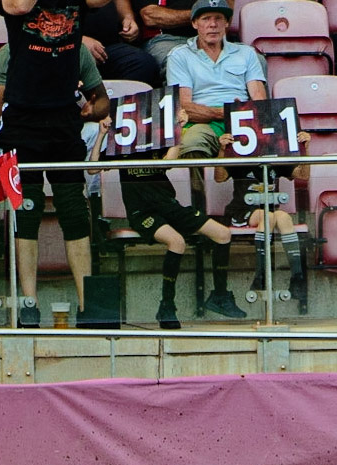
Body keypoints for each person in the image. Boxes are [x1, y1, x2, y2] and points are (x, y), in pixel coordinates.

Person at [0, 0, 111, 328]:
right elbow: (18, 6)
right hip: (22, 113)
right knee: (25, 210)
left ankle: (88, 304)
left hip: (63, 115)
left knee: (74, 209)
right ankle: (28, 303)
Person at [164, 0, 264, 319]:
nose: (213, 25)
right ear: (194, 24)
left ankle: (245, 209)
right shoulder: (179, 55)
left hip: (242, 122)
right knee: (191, 142)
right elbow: (185, 107)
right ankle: (198, 211)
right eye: (206, 19)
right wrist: (226, 112)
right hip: (204, 122)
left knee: (263, 141)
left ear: (226, 24)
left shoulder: (246, 54)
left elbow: (260, 101)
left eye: (218, 19)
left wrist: (241, 117)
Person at [105, 122, 233, 329]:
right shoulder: (121, 147)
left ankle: (219, 295)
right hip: (142, 212)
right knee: (177, 241)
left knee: (222, 233)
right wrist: (103, 133)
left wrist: (176, 129)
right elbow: (93, 168)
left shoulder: (157, 144)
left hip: (169, 205)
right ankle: (167, 305)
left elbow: (168, 163)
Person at [216, 129, 310, 306]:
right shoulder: (240, 154)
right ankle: (261, 275)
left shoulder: (275, 156)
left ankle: (297, 277)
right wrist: (222, 150)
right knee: (267, 216)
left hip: (269, 211)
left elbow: (303, 175)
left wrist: (305, 148)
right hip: (241, 210)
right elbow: (219, 177)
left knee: (283, 217)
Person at [81, 0, 159, 86]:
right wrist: (79, 41)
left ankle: (120, 99)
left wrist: (127, 18)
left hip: (108, 46)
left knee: (143, 63)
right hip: (72, 49)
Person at [135, 0, 193, 71]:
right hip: (165, 39)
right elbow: (150, 16)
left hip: (204, 37)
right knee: (180, 63)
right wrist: (200, 13)